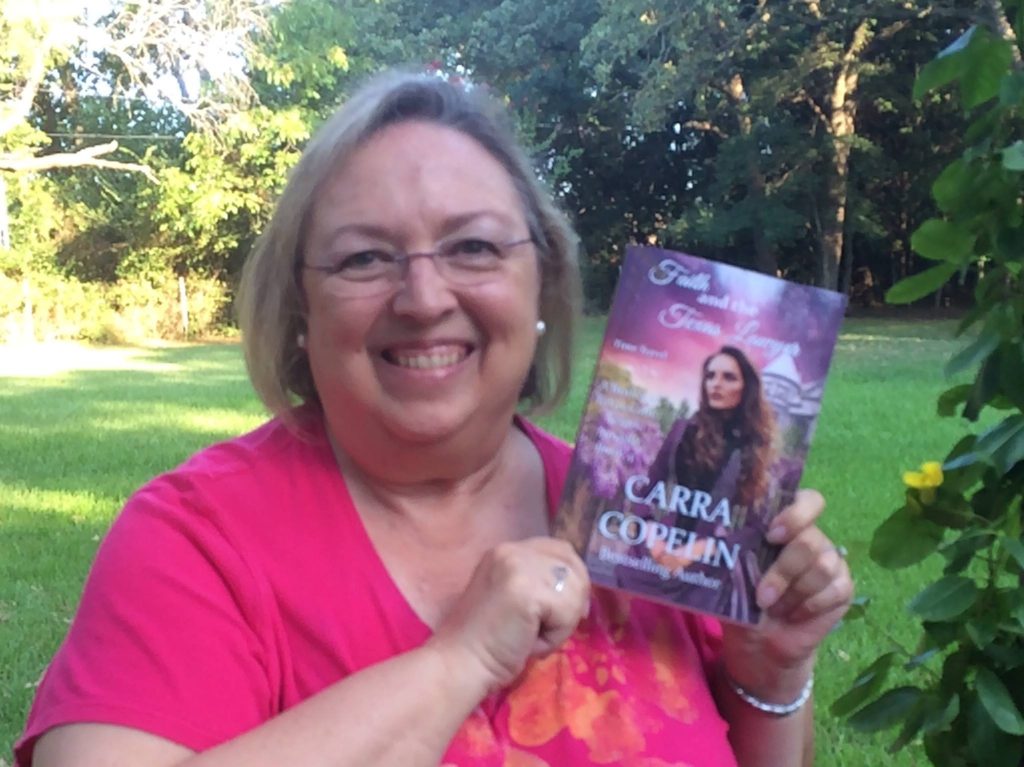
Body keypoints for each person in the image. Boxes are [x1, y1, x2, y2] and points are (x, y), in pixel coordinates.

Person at [17, 72, 853, 767]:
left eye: (474, 248)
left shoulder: (640, 511)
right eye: (364, 257)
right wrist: (459, 662)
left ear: (543, 287)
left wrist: (771, 670)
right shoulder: (196, 540)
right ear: (302, 310)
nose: (423, 299)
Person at [616, 346, 780, 624]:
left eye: (729, 377)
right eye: (710, 376)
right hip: (658, 549)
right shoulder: (682, 429)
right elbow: (648, 488)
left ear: (746, 387)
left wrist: (700, 549)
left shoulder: (754, 445)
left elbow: (755, 527)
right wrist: (650, 531)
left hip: (710, 562)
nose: (716, 384)